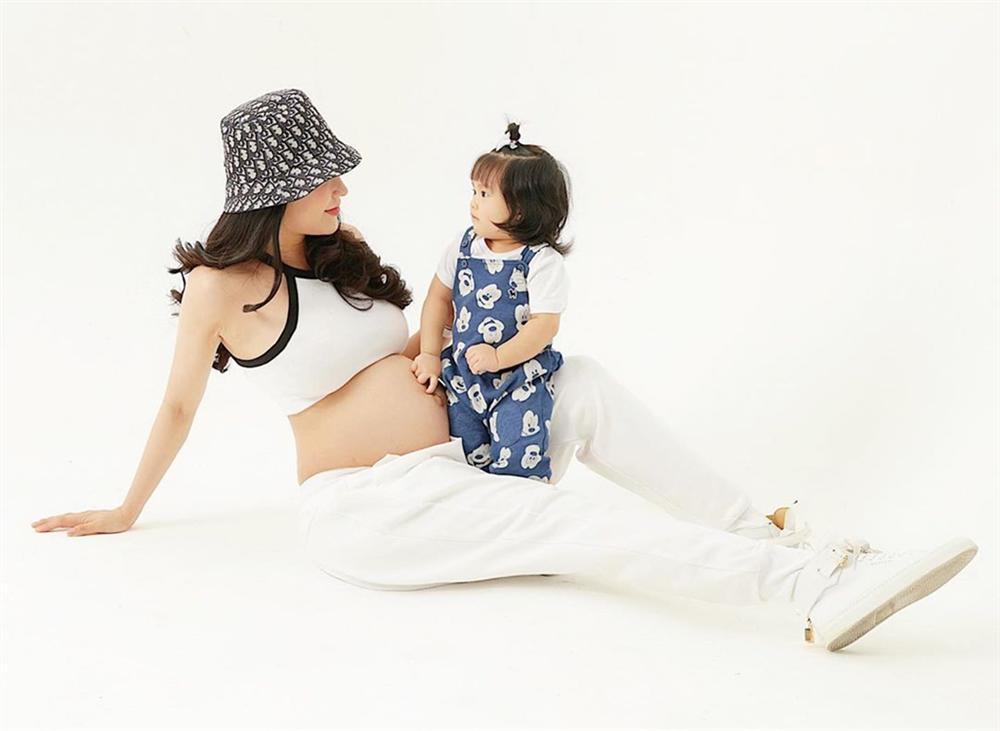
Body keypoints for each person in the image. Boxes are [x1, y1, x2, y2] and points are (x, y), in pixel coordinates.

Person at [30, 88, 978, 652]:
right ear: (277, 187)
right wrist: (125, 508)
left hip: (475, 436)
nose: (343, 187)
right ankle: (810, 594)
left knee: (583, 379)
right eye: (325, 175)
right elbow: (177, 406)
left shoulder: (335, 251)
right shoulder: (221, 287)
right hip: (376, 504)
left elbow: (427, 327)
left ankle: (782, 540)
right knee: (574, 523)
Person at [411, 121, 570, 481]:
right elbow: (437, 298)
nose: (473, 202)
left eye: (484, 194)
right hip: (462, 378)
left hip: (518, 379)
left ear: (521, 209)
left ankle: (526, 504)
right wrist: (430, 354)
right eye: (474, 191)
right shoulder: (464, 246)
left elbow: (545, 325)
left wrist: (499, 358)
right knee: (465, 459)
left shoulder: (540, 261)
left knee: (518, 456)